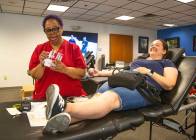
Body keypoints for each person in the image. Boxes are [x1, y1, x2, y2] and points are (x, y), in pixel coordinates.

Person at [43, 39, 178, 134]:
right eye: (152, 44)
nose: (153, 46)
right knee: (94, 101)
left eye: (157, 45)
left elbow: (169, 84)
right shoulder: (139, 60)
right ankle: (56, 123)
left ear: (164, 50)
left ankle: (63, 106)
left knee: (109, 98)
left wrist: (149, 71)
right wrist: (99, 72)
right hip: (124, 81)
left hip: (143, 90)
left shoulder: (166, 62)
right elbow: (120, 71)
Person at [28, 15, 87, 100]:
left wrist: (64, 69)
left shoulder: (73, 48)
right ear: (45, 31)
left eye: (55, 29)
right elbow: (34, 75)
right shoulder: (39, 49)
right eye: (48, 30)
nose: (52, 32)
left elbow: (82, 73)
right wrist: (41, 64)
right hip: (45, 98)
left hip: (70, 98)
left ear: (62, 29)